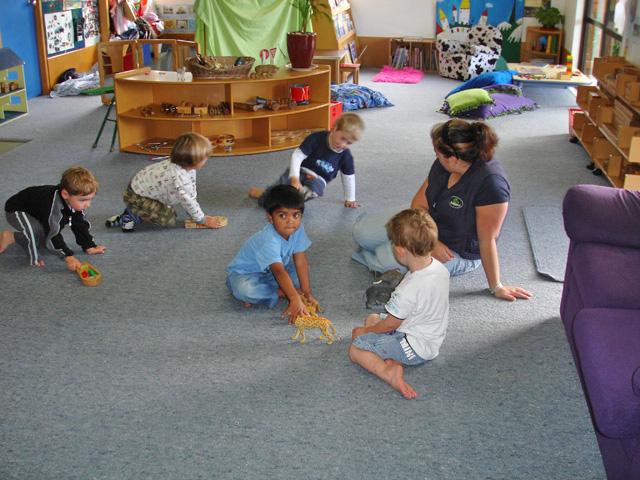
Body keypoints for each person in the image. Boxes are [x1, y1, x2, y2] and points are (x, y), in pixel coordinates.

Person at [351, 119, 531, 302]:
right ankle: (388, 249)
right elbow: (419, 204)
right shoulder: (444, 163)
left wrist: (496, 286)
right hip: (428, 225)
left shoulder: (492, 184)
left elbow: (487, 239)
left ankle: (384, 257)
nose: (435, 155)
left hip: (457, 250)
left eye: (437, 152)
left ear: (452, 157)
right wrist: (431, 241)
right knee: (362, 233)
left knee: (387, 259)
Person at [350, 208, 449, 400]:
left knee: (356, 346)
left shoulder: (409, 289)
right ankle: (392, 358)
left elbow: (390, 325)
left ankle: (388, 372)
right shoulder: (440, 269)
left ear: (400, 250)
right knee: (372, 317)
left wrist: (366, 333)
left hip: (414, 347)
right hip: (428, 336)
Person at [226, 185, 317, 324]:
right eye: (282, 215)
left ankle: (273, 292)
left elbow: (300, 261)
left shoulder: (297, 229)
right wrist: (294, 298)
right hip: (246, 274)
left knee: (300, 275)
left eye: (296, 215)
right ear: (270, 218)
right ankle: (280, 292)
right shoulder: (269, 239)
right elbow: (279, 271)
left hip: (273, 270)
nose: (290, 221)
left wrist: (306, 292)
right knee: (245, 290)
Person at [106, 132, 225, 232]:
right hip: (136, 196)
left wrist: (197, 213)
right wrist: (202, 219)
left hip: (141, 189)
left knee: (170, 206)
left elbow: (190, 191)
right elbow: (187, 200)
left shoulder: (183, 164)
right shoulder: (179, 178)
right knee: (168, 218)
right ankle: (130, 215)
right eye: (205, 158)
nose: (207, 159)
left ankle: (137, 209)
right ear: (193, 161)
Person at [248, 112, 365, 208]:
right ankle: (263, 195)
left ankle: (291, 201)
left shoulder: (346, 156)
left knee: (315, 189)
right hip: (300, 170)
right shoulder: (316, 138)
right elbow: (297, 156)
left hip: (318, 179)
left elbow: (348, 177)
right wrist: (294, 177)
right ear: (334, 128)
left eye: (349, 143)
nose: (343, 144)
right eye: (343, 139)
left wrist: (350, 199)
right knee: (280, 187)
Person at [0, 166, 106, 271]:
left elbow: (79, 224)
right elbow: (54, 234)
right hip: (17, 209)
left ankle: (18, 237)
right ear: (65, 194)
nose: (88, 205)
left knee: (44, 239)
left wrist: (89, 246)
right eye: (83, 200)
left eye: (90, 199)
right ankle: (13, 240)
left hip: (38, 211)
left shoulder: (74, 201)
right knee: (32, 233)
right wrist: (68, 257)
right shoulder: (53, 207)